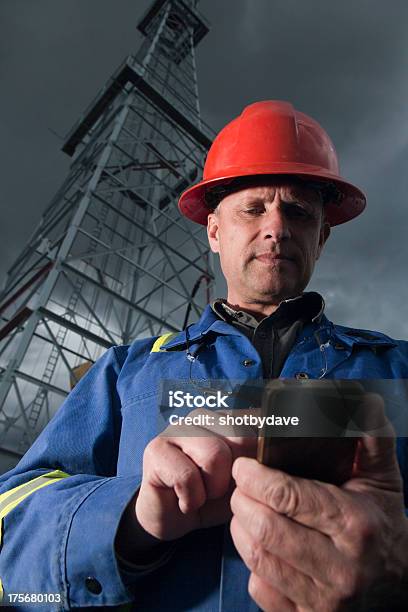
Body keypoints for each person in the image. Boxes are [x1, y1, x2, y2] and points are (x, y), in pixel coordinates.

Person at [0, 100, 407, 611]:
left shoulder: (399, 369)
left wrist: (399, 575)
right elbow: (8, 531)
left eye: (298, 212)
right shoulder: (127, 373)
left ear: (321, 237)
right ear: (214, 231)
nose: (276, 228)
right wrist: (128, 521)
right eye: (253, 209)